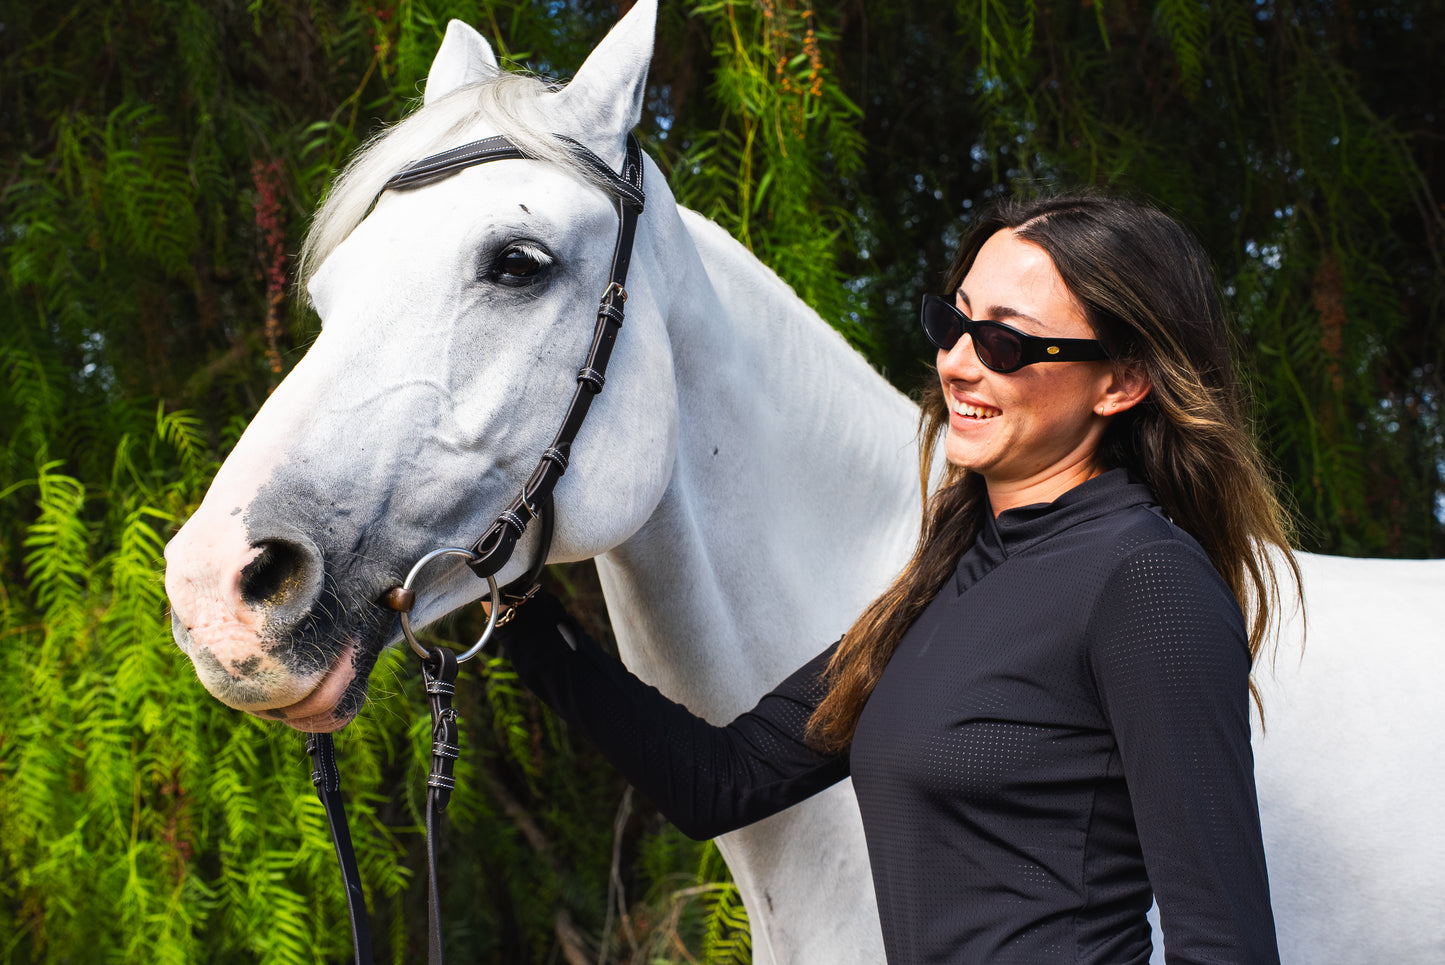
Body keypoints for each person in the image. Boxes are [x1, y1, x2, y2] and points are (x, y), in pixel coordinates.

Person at [498, 193, 1300, 964]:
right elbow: (721, 780)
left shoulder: (1145, 581)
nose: (955, 363)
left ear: (1121, 382)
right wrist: (514, 611)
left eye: (1005, 345)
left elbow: (1222, 943)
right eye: (952, 324)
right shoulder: (949, 575)